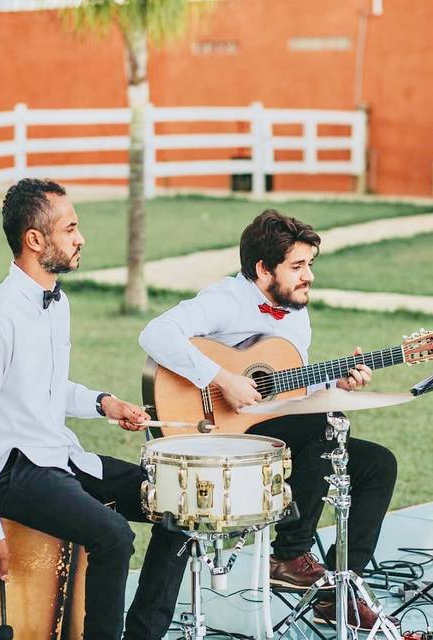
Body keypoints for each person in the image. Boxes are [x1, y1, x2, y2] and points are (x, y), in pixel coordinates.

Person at [0, 178, 188, 640]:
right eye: (71, 228)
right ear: (35, 240)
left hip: (60, 456)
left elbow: (48, 390)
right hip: (15, 470)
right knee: (114, 536)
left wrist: (104, 403)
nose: (81, 238)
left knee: (178, 503)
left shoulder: (57, 305)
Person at [138, 209, 398, 631]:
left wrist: (337, 381)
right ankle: (289, 554)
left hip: (271, 434)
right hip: (219, 436)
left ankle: (336, 594)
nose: (308, 275)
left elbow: (292, 395)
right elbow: (155, 333)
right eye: (297, 266)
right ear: (262, 269)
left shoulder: (295, 313)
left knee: (377, 463)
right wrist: (224, 378)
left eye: (309, 264)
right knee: (324, 425)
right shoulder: (225, 300)